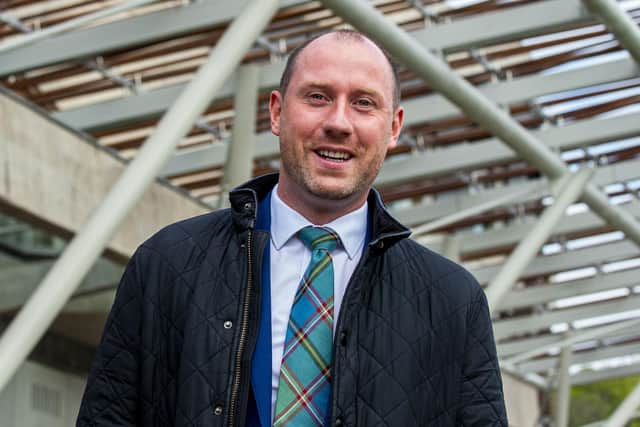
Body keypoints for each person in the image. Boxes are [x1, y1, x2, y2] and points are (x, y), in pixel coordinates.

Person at [77, 30, 507, 426]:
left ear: (393, 128)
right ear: (277, 113)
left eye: (363, 103)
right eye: (318, 97)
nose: (339, 123)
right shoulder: (166, 264)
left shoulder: (454, 302)